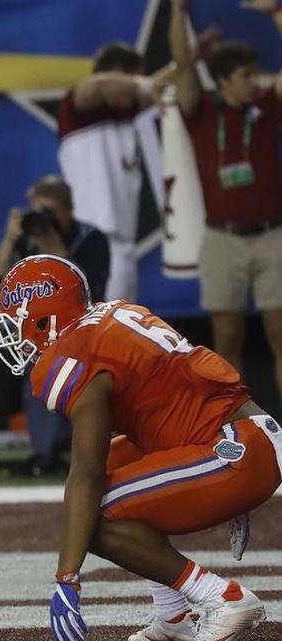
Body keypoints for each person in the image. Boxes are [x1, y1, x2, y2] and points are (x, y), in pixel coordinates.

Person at [0, 254, 278, 641]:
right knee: (109, 471)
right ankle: (173, 616)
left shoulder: (75, 353)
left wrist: (67, 578)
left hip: (235, 446)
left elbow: (86, 474)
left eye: (15, 321)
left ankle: (221, 597)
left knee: (93, 513)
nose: (13, 335)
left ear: (43, 318)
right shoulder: (110, 315)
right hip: (237, 435)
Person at [170, 0, 282, 408]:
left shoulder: (267, 109)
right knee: (227, 339)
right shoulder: (200, 114)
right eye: (245, 76)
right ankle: (234, 427)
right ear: (221, 80)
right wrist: (176, 11)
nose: (253, 82)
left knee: (280, 334)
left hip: (272, 235)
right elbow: (183, 67)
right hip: (222, 239)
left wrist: (274, 14)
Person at [0, 175, 110, 475]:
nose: (43, 220)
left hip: (85, 331)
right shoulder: (25, 242)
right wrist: (10, 238)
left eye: (50, 212)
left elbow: (92, 292)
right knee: (34, 362)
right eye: (37, 211)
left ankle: (83, 446)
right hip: (41, 337)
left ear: (67, 210)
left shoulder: (91, 238)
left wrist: (54, 247)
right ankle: (47, 451)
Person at [57, 42, 170, 303]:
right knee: (95, 327)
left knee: (121, 328)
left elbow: (158, 85)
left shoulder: (125, 110)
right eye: (132, 80)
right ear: (118, 73)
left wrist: (193, 57)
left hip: (123, 241)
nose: (135, 91)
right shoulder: (76, 108)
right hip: (93, 235)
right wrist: (141, 85)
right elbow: (93, 86)